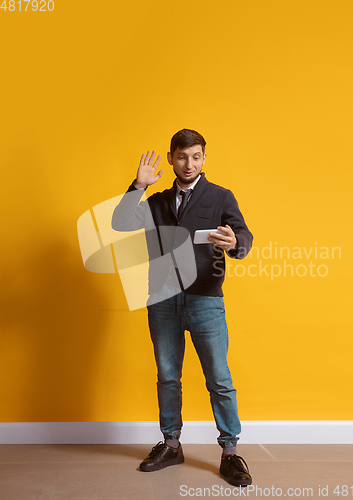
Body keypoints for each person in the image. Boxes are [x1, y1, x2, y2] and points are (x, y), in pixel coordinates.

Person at [111, 129, 253, 487]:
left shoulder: (220, 196)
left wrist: (236, 242)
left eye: (195, 157)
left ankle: (231, 452)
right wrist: (138, 185)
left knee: (219, 378)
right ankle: (171, 444)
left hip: (206, 299)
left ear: (204, 158)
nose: (188, 164)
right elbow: (120, 223)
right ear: (171, 158)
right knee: (168, 375)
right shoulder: (157, 201)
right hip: (161, 300)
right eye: (181, 157)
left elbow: (243, 238)